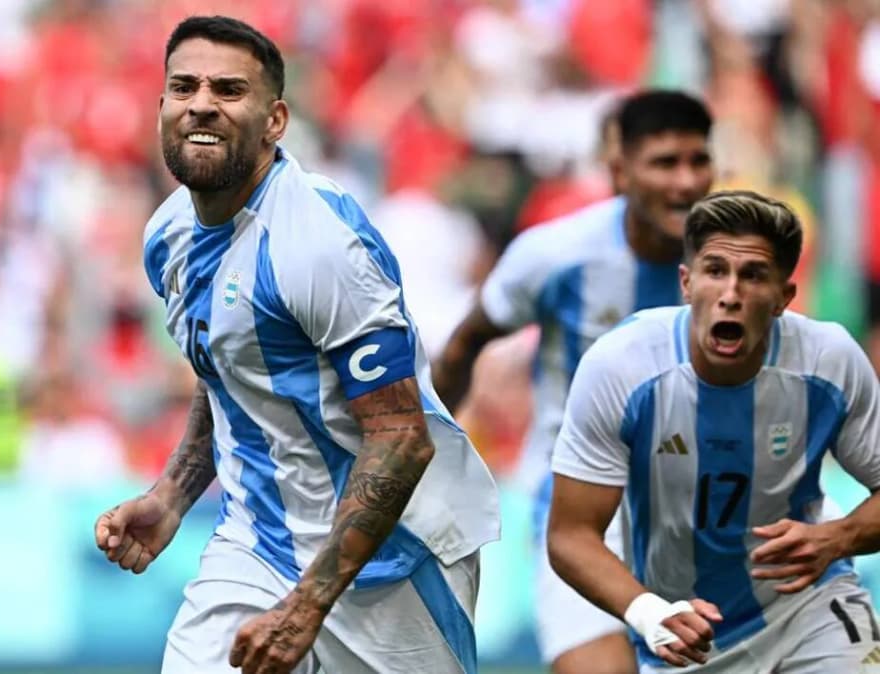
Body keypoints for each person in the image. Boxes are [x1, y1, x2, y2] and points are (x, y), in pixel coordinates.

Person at [93, 16, 499, 674]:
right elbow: (229, 369)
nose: (201, 104)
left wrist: (308, 606)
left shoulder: (320, 243)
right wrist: (171, 496)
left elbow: (401, 436)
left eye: (229, 90)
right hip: (255, 547)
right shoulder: (168, 236)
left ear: (275, 120)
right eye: (184, 87)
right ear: (162, 105)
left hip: (392, 565)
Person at [432, 90, 714, 674]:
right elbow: (465, 343)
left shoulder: (733, 261)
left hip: (702, 517)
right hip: (581, 518)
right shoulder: (557, 255)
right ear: (619, 171)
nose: (685, 182)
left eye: (698, 160)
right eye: (665, 163)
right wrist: (423, 454)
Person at [548, 190, 880, 672]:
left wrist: (839, 537)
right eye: (715, 271)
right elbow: (570, 535)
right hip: (688, 633)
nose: (730, 294)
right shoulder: (622, 366)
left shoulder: (829, 361)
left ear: (784, 298)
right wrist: (648, 612)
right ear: (686, 283)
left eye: (754, 275)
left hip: (807, 611)